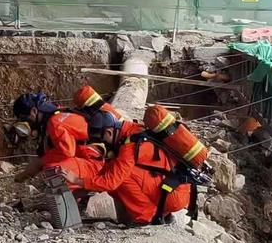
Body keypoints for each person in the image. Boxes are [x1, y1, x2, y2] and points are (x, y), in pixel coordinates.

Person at [60, 111, 191, 224]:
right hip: (173, 188)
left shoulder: (129, 147)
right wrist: (83, 189)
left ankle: (147, 218)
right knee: (115, 171)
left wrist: (77, 180)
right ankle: (148, 214)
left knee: (119, 177)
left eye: (102, 140)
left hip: (173, 195)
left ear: (109, 132)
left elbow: (110, 182)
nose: (103, 145)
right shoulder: (133, 130)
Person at [11, 92, 104, 187]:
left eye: (24, 119)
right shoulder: (60, 112)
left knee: (53, 172)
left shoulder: (54, 123)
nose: (27, 123)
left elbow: (67, 152)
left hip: (95, 166)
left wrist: (39, 163)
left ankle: (67, 198)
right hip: (94, 160)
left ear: (34, 111)